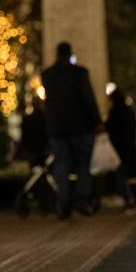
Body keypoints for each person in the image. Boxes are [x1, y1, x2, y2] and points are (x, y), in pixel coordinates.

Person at [41, 42, 102, 219]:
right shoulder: (80, 73)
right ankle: (81, 199)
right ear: (70, 54)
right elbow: (88, 99)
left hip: (57, 129)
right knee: (84, 162)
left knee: (61, 165)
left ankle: (63, 202)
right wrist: (97, 121)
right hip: (80, 127)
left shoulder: (47, 75)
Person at [104, 87, 136, 210]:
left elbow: (109, 128)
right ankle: (133, 198)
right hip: (129, 147)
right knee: (129, 174)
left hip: (118, 148)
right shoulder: (129, 111)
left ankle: (129, 199)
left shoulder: (115, 111)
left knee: (120, 175)